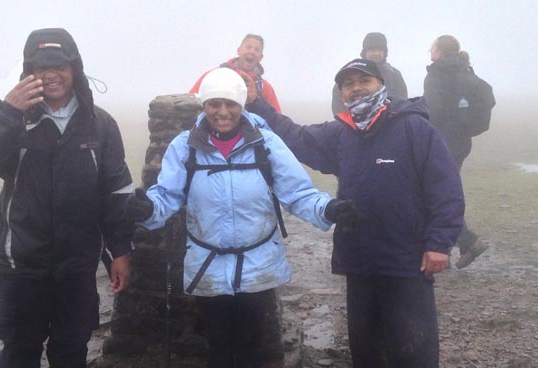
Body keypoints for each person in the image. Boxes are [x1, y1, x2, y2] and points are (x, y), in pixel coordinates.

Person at [126, 67, 356, 367]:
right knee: (217, 343)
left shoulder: (266, 144)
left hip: (257, 263)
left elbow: (297, 192)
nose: (223, 112)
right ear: (204, 106)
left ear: (241, 105)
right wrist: (149, 209)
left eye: (231, 104)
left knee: (253, 345)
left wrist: (328, 208)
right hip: (208, 264)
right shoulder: (185, 147)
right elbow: (167, 195)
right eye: (214, 104)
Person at [245, 59, 465, 368]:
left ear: (381, 85)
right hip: (359, 259)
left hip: (407, 260)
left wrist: (439, 243)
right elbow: (295, 136)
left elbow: (446, 188)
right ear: (342, 92)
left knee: (413, 347)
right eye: (348, 84)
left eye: (364, 80)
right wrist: (258, 105)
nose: (356, 88)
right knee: (366, 348)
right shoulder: (342, 132)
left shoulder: (414, 127)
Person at [0, 28, 134, 368]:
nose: (51, 74)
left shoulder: (100, 125)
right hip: (21, 268)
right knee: (19, 353)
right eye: (40, 67)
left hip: (77, 269)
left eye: (60, 65)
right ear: (28, 72)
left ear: (75, 68)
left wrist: (119, 252)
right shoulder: (14, 120)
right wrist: (5, 113)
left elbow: (116, 192)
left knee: (71, 353)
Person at [424, 35, 495, 269]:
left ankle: (465, 242)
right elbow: (489, 96)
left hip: (440, 142)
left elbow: (432, 111)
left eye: (431, 48)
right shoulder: (466, 71)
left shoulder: (436, 74)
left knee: (437, 195)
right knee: (442, 192)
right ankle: (457, 245)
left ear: (439, 51)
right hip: (461, 142)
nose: (429, 52)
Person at [189, 33, 282, 113]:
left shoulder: (264, 88)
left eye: (257, 49)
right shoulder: (213, 75)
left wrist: (256, 101)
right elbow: (190, 101)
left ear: (261, 57)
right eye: (248, 47)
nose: (252, 51)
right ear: (239, 50)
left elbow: (276, 120)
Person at [332, 32, 408, 116]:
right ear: (365, 52)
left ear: (385, 52)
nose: (376, 53)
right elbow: (338, 105)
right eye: (372, 50)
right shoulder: (350, 73)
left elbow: (403, 102)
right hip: (357, 125)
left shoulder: (394, 75)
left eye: (379, 50)